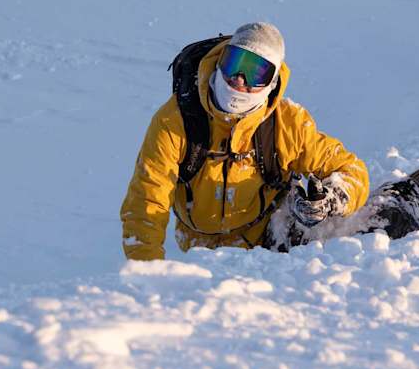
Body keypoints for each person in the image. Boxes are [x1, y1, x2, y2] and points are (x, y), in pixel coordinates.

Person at [120, 22, 370, 260]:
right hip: (198, 252)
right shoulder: (176, 121)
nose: (239, 79)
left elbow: (352, 170)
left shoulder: (288, 123)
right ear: (219, 62)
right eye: (234, 63)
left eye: (255, 72)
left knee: (365, 225)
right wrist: (146, 274)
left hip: (270, 242)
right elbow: (146, 203)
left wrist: (330, 199)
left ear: (271, 83)